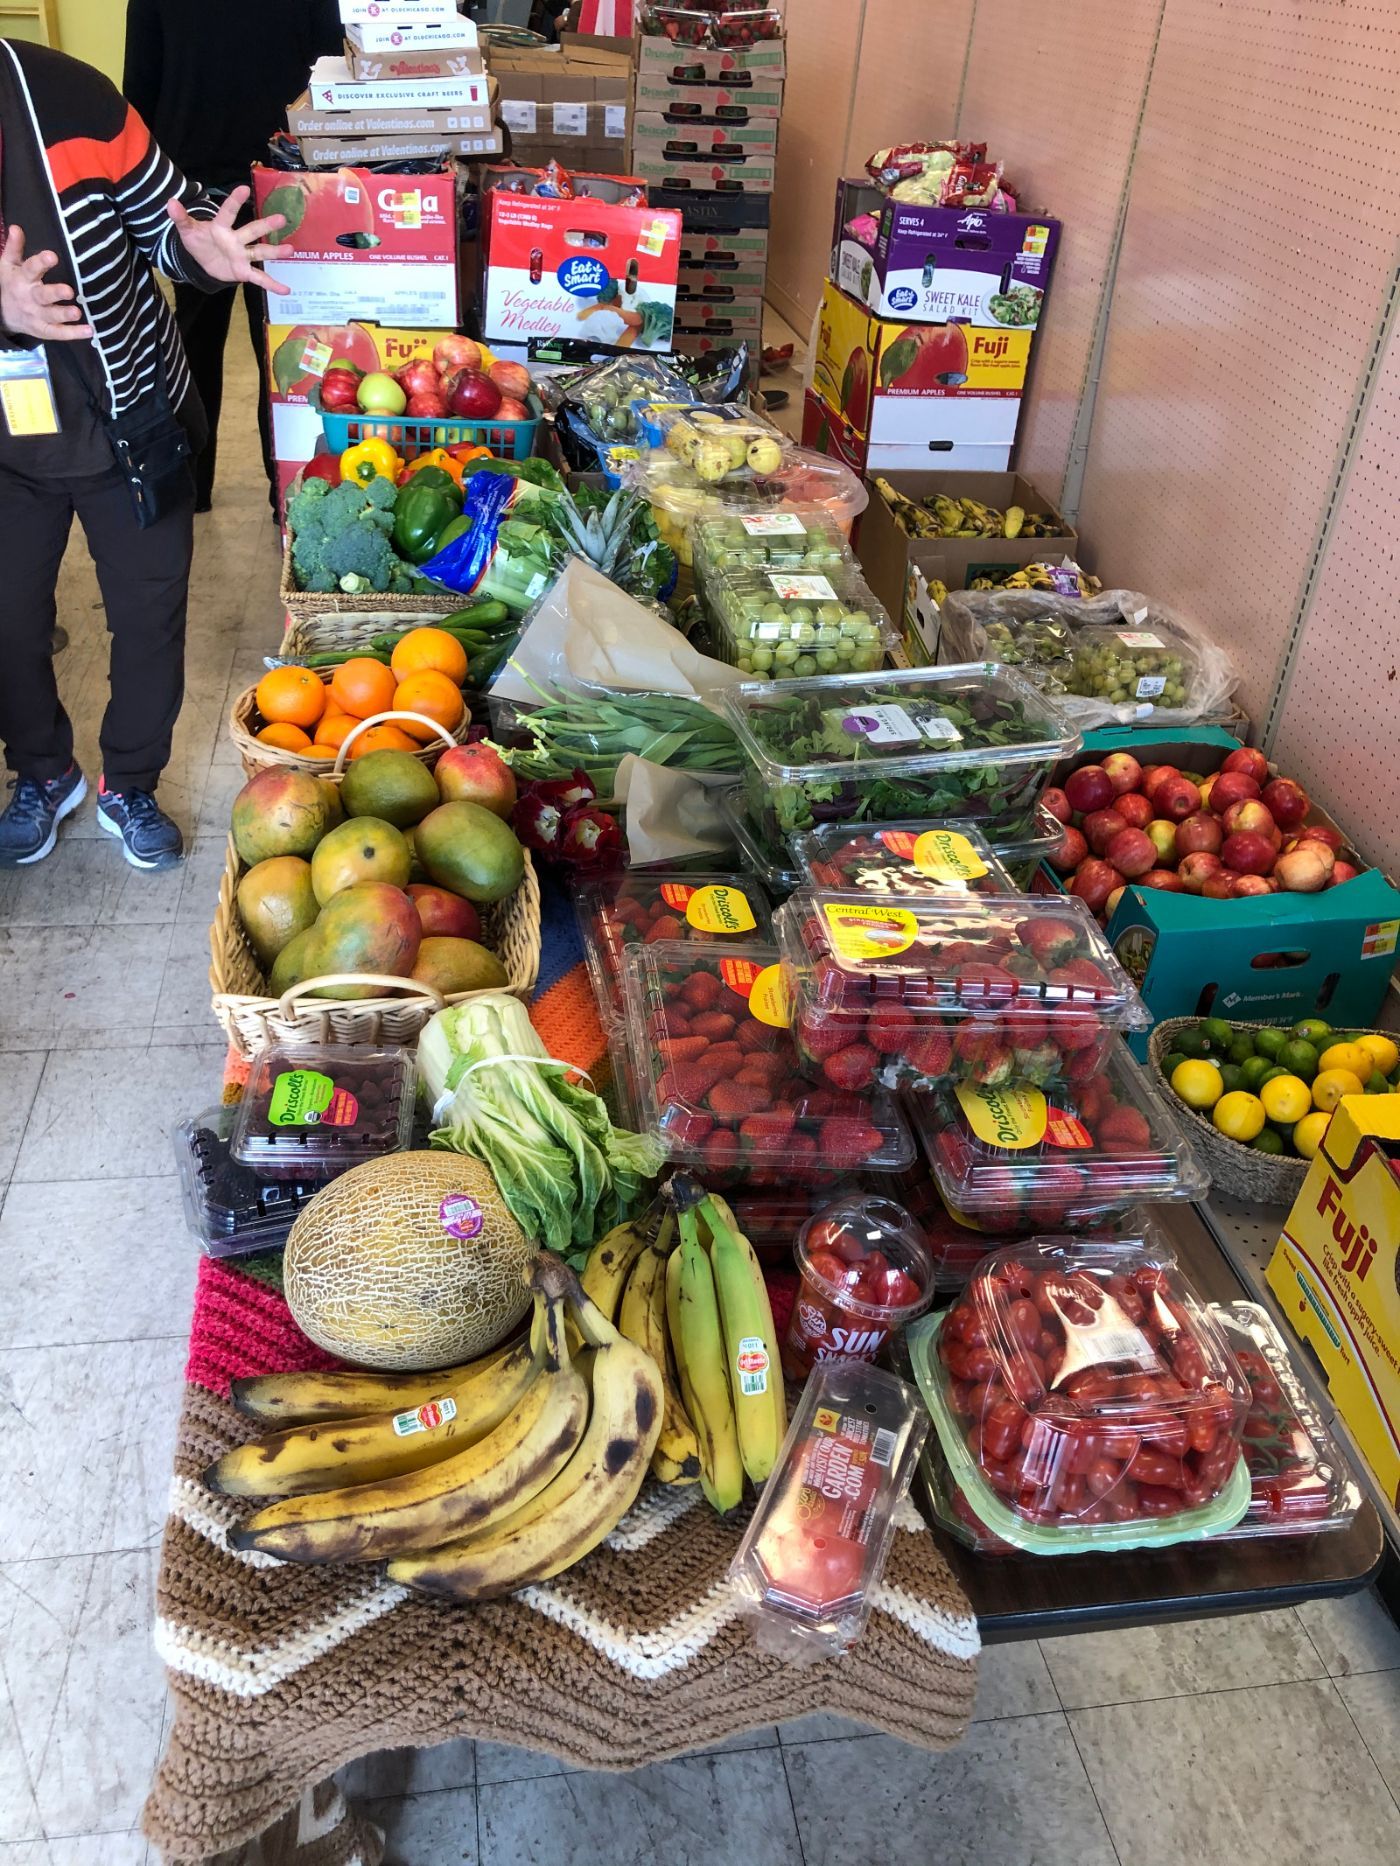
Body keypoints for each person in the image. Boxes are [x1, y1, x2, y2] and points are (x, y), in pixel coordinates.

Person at [0, 35, 289, 871]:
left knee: (148, 618)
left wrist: (199, 249)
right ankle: (43, 772)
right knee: (10, 622)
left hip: (134, 418)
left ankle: (130, 781)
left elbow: (162, 215)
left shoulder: (68, 94)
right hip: (11, 449)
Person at [123, 0, 341, 511]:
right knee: (282, 341)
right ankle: (285, 491)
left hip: (189, 183)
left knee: (197, 339)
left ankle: (193, 486)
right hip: (284, 177)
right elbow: (331, 70)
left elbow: (138, 94)